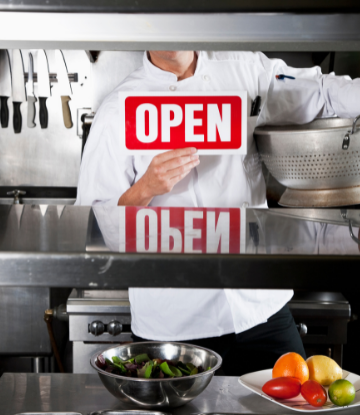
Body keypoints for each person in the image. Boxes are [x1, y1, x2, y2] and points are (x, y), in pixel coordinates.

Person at [75, 51, 360, 375]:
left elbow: (320, 93)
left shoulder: (243, 70)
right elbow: (95, 227)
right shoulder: (118, 109)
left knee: (291, 405)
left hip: (260, 304)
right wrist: (146, 188)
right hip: (176, 324)